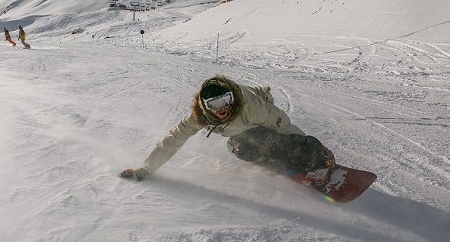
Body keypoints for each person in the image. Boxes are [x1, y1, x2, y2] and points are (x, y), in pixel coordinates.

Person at [120, 75, 335, 187]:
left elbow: (283, 124)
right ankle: (266, 156)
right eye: (214, 104)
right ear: (205, 106)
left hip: (261, 116)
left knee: (276, 142)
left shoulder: (250, 107)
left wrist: (304, 147)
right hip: (240, 130)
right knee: (240, 148)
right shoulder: (199, 118)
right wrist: (146, 169)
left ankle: (318, 157)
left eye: (226, 100)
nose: (222, 108)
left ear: (232, 98)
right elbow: (172, 140)